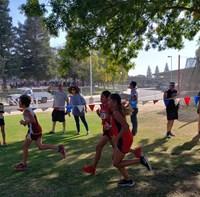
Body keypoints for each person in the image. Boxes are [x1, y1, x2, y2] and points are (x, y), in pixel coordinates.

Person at [107, 93, 151, 187]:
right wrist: (110, 127)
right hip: (123, 138)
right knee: (115, 160)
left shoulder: (116, 112)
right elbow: (119, 125)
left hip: (124, 139)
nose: (108, 102)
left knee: (116, 163)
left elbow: (126, 126)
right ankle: (128, 180)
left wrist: (117, 137)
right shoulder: (117, 110)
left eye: (109, 100)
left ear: (114, 102)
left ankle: (141, 160)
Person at [14, 94, 67, 171]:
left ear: (23, 103)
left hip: (34, 131)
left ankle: (24, 165)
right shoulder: (28, 109)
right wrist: (26, 123)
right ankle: (59, 148)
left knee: (25, 146)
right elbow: (32, 121)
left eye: (20, 101)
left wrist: (24, 122)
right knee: (40, 146)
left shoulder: (26, 111)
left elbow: (33, 120)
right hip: (37, 129)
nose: (18, 102)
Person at [83, 90, 115, 174]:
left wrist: (110, 126)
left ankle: (93, 168)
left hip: (110, 131)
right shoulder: (103, 106)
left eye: (102, 97)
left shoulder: (110, 106)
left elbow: (113, 118)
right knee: (117, 148)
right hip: (106, 130)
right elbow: (104, 118)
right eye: (100, 96)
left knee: (99, 147)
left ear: (108, 98)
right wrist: (98, 114)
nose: (100, 98)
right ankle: (137, 154)